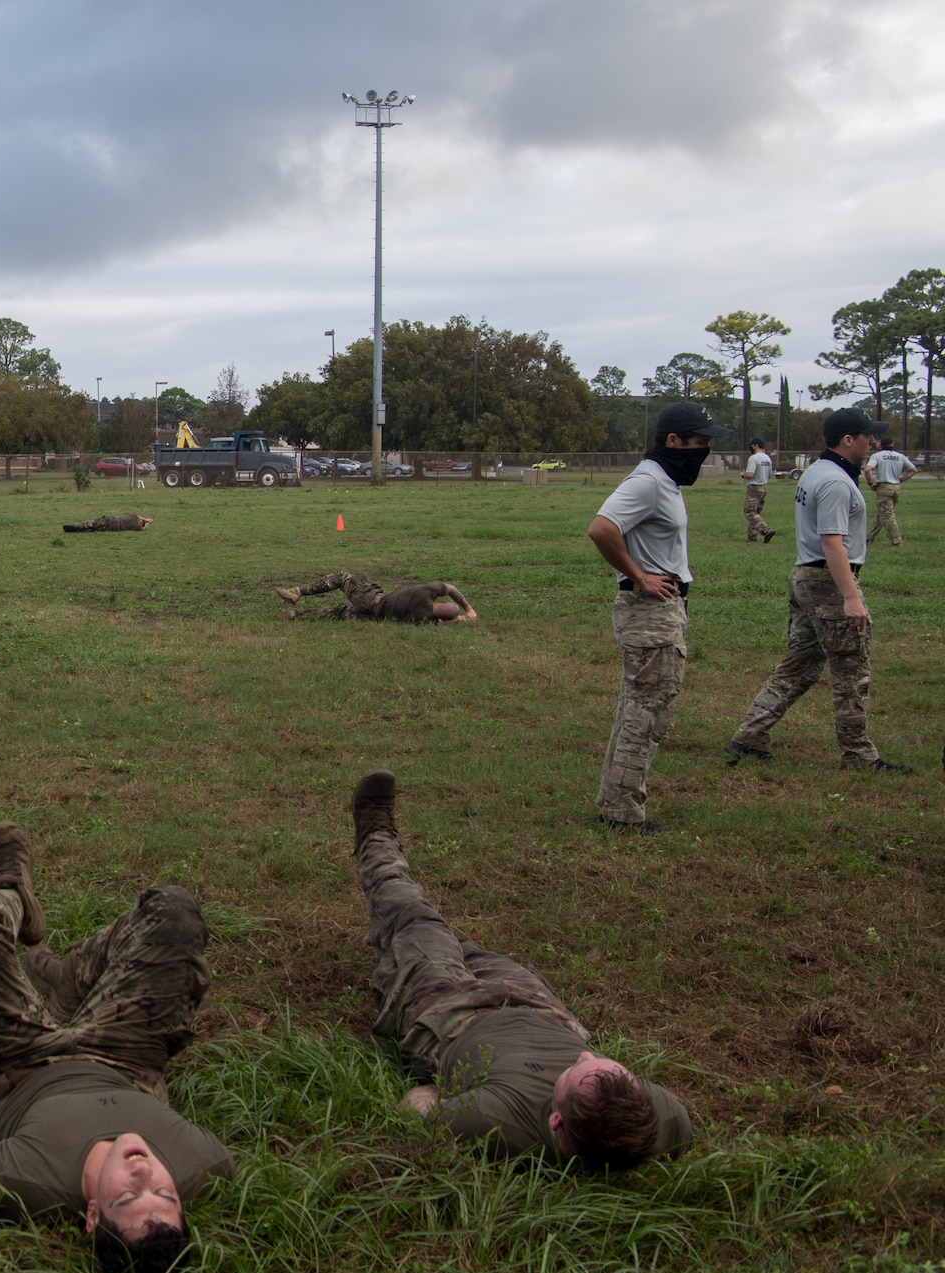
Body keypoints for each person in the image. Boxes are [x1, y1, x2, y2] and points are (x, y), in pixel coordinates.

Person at [0, 822, 233, 1273]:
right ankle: (65, 980)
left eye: (129, 1198)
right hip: (122, 1055)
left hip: (18, 1062)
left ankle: (16, 897)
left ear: (92, 1216)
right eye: (165, 1194)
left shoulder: (23, 1182)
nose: (144, 1172)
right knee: (175, 913)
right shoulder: (204, 1164)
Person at [347, 770, 693, 1169]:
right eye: (596, 1063)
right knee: (447, 942)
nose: (582, 1058)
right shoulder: (666, 1119)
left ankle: (375, 836)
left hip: (450, 1016)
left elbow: (415, 1111)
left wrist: (435, 1093)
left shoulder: (502, 1124)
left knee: (413, 921)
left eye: (575, 1072)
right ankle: (415, 941)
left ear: (555, 1120)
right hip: (538, 1006)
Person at [724, 408, 914, 774]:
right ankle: (858, 756)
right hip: (827, 581)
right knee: (852, 670)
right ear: (848, 440)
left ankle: (750, 735)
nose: (873, 442)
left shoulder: (818, 472)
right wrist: (851, 596)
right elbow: (832, 543)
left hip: (806, 577)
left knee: (799, 666)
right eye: (867, 436)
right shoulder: (836, 482)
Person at [584, 401, 725, 835]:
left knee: (638, 709)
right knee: (648, 713)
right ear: (673, 441)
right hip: (650, 612)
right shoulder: (648, 481)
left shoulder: (664, 480)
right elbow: (601, 527)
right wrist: (640, 577)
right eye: (698, 444)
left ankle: (615, 801)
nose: (702, 452)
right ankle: (623, 812)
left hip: (663, 609)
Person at [276, 573, 477, 624]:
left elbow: (450, 588)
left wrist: (468, 608)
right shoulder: (426, 620)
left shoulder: (426, 594)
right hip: (377, 618)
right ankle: (295, 615)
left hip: (374, 601)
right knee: (336, 613)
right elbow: (445, 621)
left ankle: (298, 592)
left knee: (342, 577)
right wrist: (463, 618)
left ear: (440, 602)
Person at [865, 436, 913, 547]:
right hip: (896, 487)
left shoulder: (877, 456)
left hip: (884, 487)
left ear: (881, 445)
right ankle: (869, 537)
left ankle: (896, 541)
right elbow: (913, 470)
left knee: (887, 515)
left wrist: (871, 483)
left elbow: (868, 469)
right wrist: (900, 480)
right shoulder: (900, 456)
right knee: (883, 513)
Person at [740, 438, 777, 543]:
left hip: (754, 487)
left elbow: (750, 474)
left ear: (755, 445)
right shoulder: (767, 458)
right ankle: (752, 537)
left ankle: (766, 530)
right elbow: (769, 475)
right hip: (764, 487)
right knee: (756, 513)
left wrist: (743, 475)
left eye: (751, 445)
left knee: (749, 512)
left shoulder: (753, 458)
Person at [63, 513, 153, 533]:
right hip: (115, 527)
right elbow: (143, 528)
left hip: (112, 520)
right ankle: (77, 530)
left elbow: (138, 516)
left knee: (93, 523)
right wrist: (148, 523)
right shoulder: (137, 527)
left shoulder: (134, 517)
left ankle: (76, 526)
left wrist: (147, 519)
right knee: (94, 530)